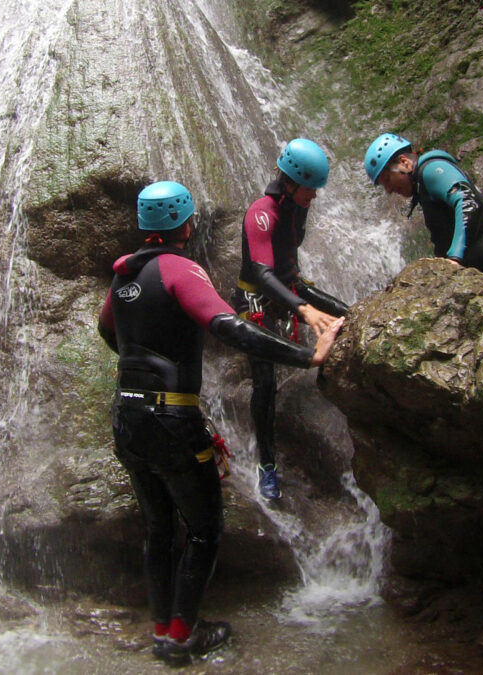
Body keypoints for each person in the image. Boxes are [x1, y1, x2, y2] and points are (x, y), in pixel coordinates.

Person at [98, 181, 343, 664]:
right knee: (205, 529)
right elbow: (229, 326)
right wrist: (305, 356)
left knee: (158, 529)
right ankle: (182, 635)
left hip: (128, 418)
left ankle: (163, 628)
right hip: (170, 417)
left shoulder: (122, 277)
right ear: (185, 224)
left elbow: (109, 331)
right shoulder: (180, 269)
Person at [233, 138, 349, 500]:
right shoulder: (261, 212)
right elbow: (263, 272)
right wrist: (304, 309)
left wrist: (306, 300)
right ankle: (267, 463)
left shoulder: (298, 206)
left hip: (289, 285)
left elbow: (288, 269)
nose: (314, 196)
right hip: (255, 294)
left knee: (350, 315)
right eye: (310, 189)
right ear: (290, 182)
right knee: (264, 382)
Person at [364, 132, 483, 278]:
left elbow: (467, 201)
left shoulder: (431, 170)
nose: (388, 190)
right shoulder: (425, 183)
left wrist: (454, 259)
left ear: (404, 163)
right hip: (482, 279)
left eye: (387, 180)